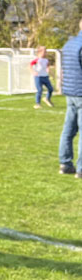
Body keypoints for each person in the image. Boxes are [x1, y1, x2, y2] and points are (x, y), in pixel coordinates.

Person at [59, 18, 82, 178]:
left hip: (70, 91)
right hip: (80, 92)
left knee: (68, 129)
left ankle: (65, 163)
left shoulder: (69, 44)